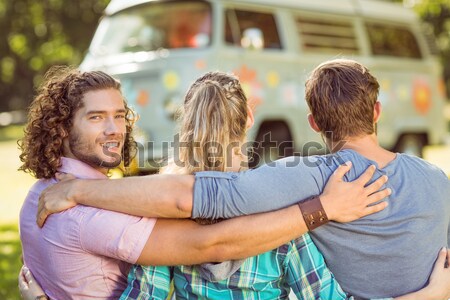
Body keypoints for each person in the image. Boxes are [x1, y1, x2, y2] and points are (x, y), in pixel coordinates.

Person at [37, 60, 450, 299]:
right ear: (376, 112)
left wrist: (80, 191)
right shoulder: (288, 219)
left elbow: (196, 199)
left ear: (314, 122)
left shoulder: (161, 228)